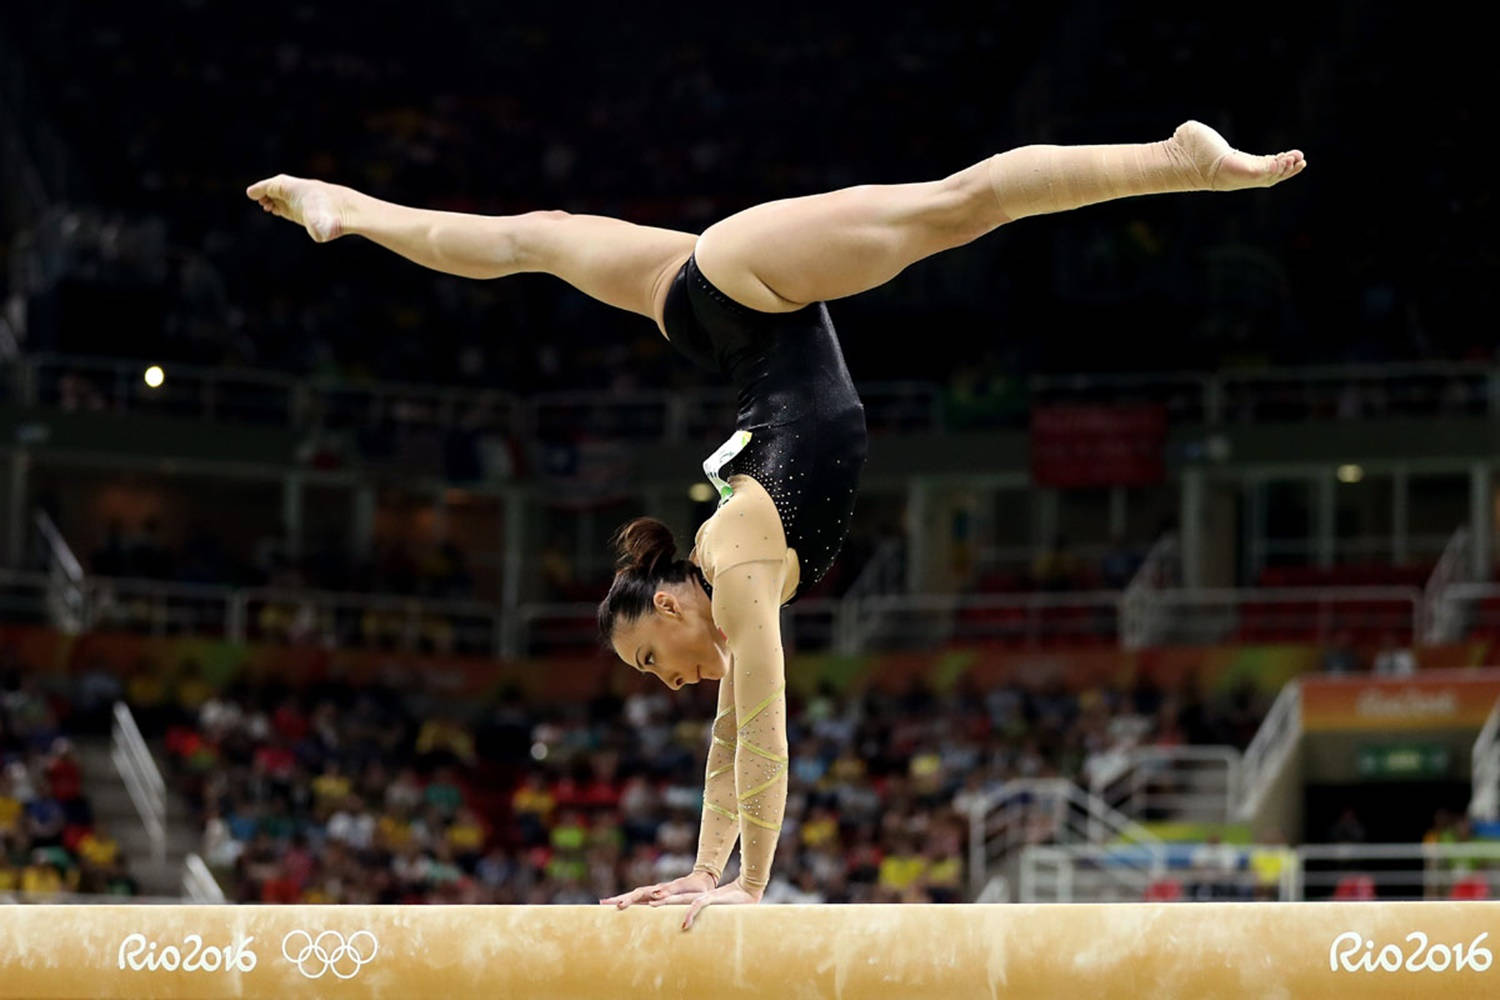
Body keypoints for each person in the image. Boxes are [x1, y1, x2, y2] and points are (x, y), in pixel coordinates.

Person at [250, 121, 1305, 924]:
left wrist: (750, 886)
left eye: (654, 659)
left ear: (671, 602)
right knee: (540, 237)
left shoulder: (741, 555)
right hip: (717, 316)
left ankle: (1182, 161)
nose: (668, 680)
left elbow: (765, 729)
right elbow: (730, 740)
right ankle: (345, 205)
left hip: (747, 286)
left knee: (959, 201)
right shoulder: (727, 561)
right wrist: (702, 873)